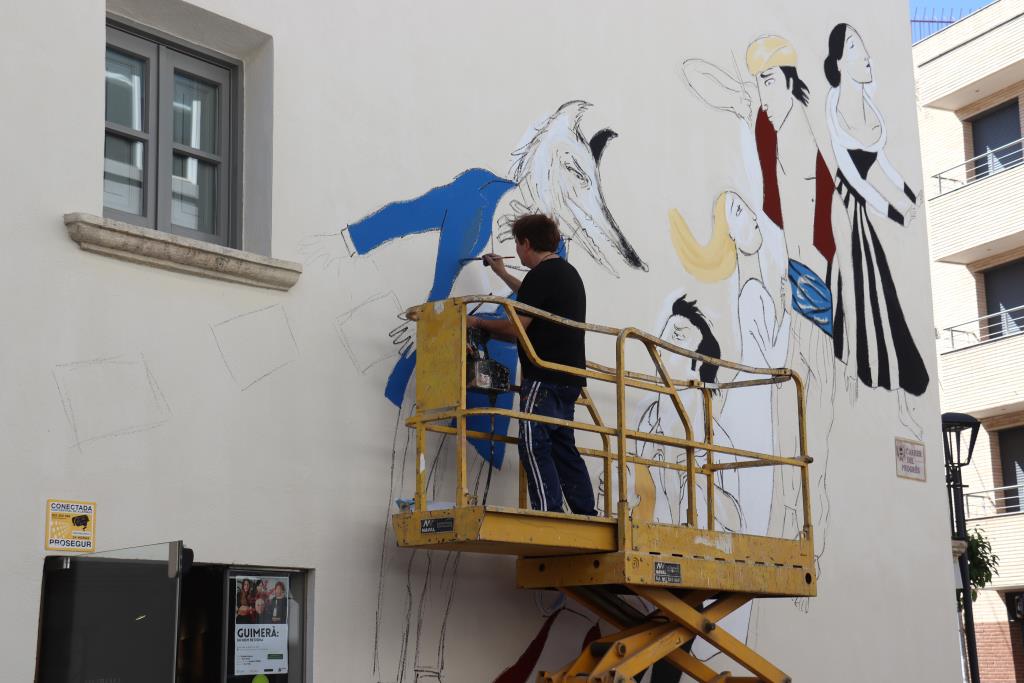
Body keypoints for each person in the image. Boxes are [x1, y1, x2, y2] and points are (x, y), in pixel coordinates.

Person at [822, 22, 929, 437]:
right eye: (855, 46)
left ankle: (895, 396)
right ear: (839, 62)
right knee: (853, 287)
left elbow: (883, 165)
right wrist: (898, 214)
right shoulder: (834, 110)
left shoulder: (871, 107)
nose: (866, 53)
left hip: (865, 213)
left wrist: (909, 196)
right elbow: (856, 180)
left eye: (864, 44)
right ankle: (850, 373)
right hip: (844, 207)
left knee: (882, 292)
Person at [468, 213, 596, 516]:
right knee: (564, 448)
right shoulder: (565, 274)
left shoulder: (542, 277)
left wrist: (477, 322)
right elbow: (533, 297)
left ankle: (548, 512)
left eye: (517, 243)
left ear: (525, 243)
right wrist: (502, 273)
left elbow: (517, 329)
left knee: (532, 443)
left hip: (544, 376)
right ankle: (585, 511)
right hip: (570, 378)